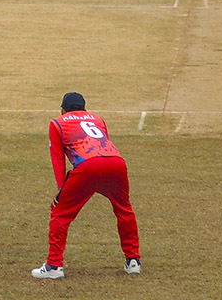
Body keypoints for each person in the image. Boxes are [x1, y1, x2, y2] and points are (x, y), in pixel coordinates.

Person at [32, 92, 142, 279]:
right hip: (116, 162)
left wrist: (62, 190)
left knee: (60, 213)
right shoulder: (98, 119)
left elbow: (58, 159)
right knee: (124, 210)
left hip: (87, 166)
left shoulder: (58, 122)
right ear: (84, 108)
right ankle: (133, 261)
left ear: (63, 109)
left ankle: (53, 265)